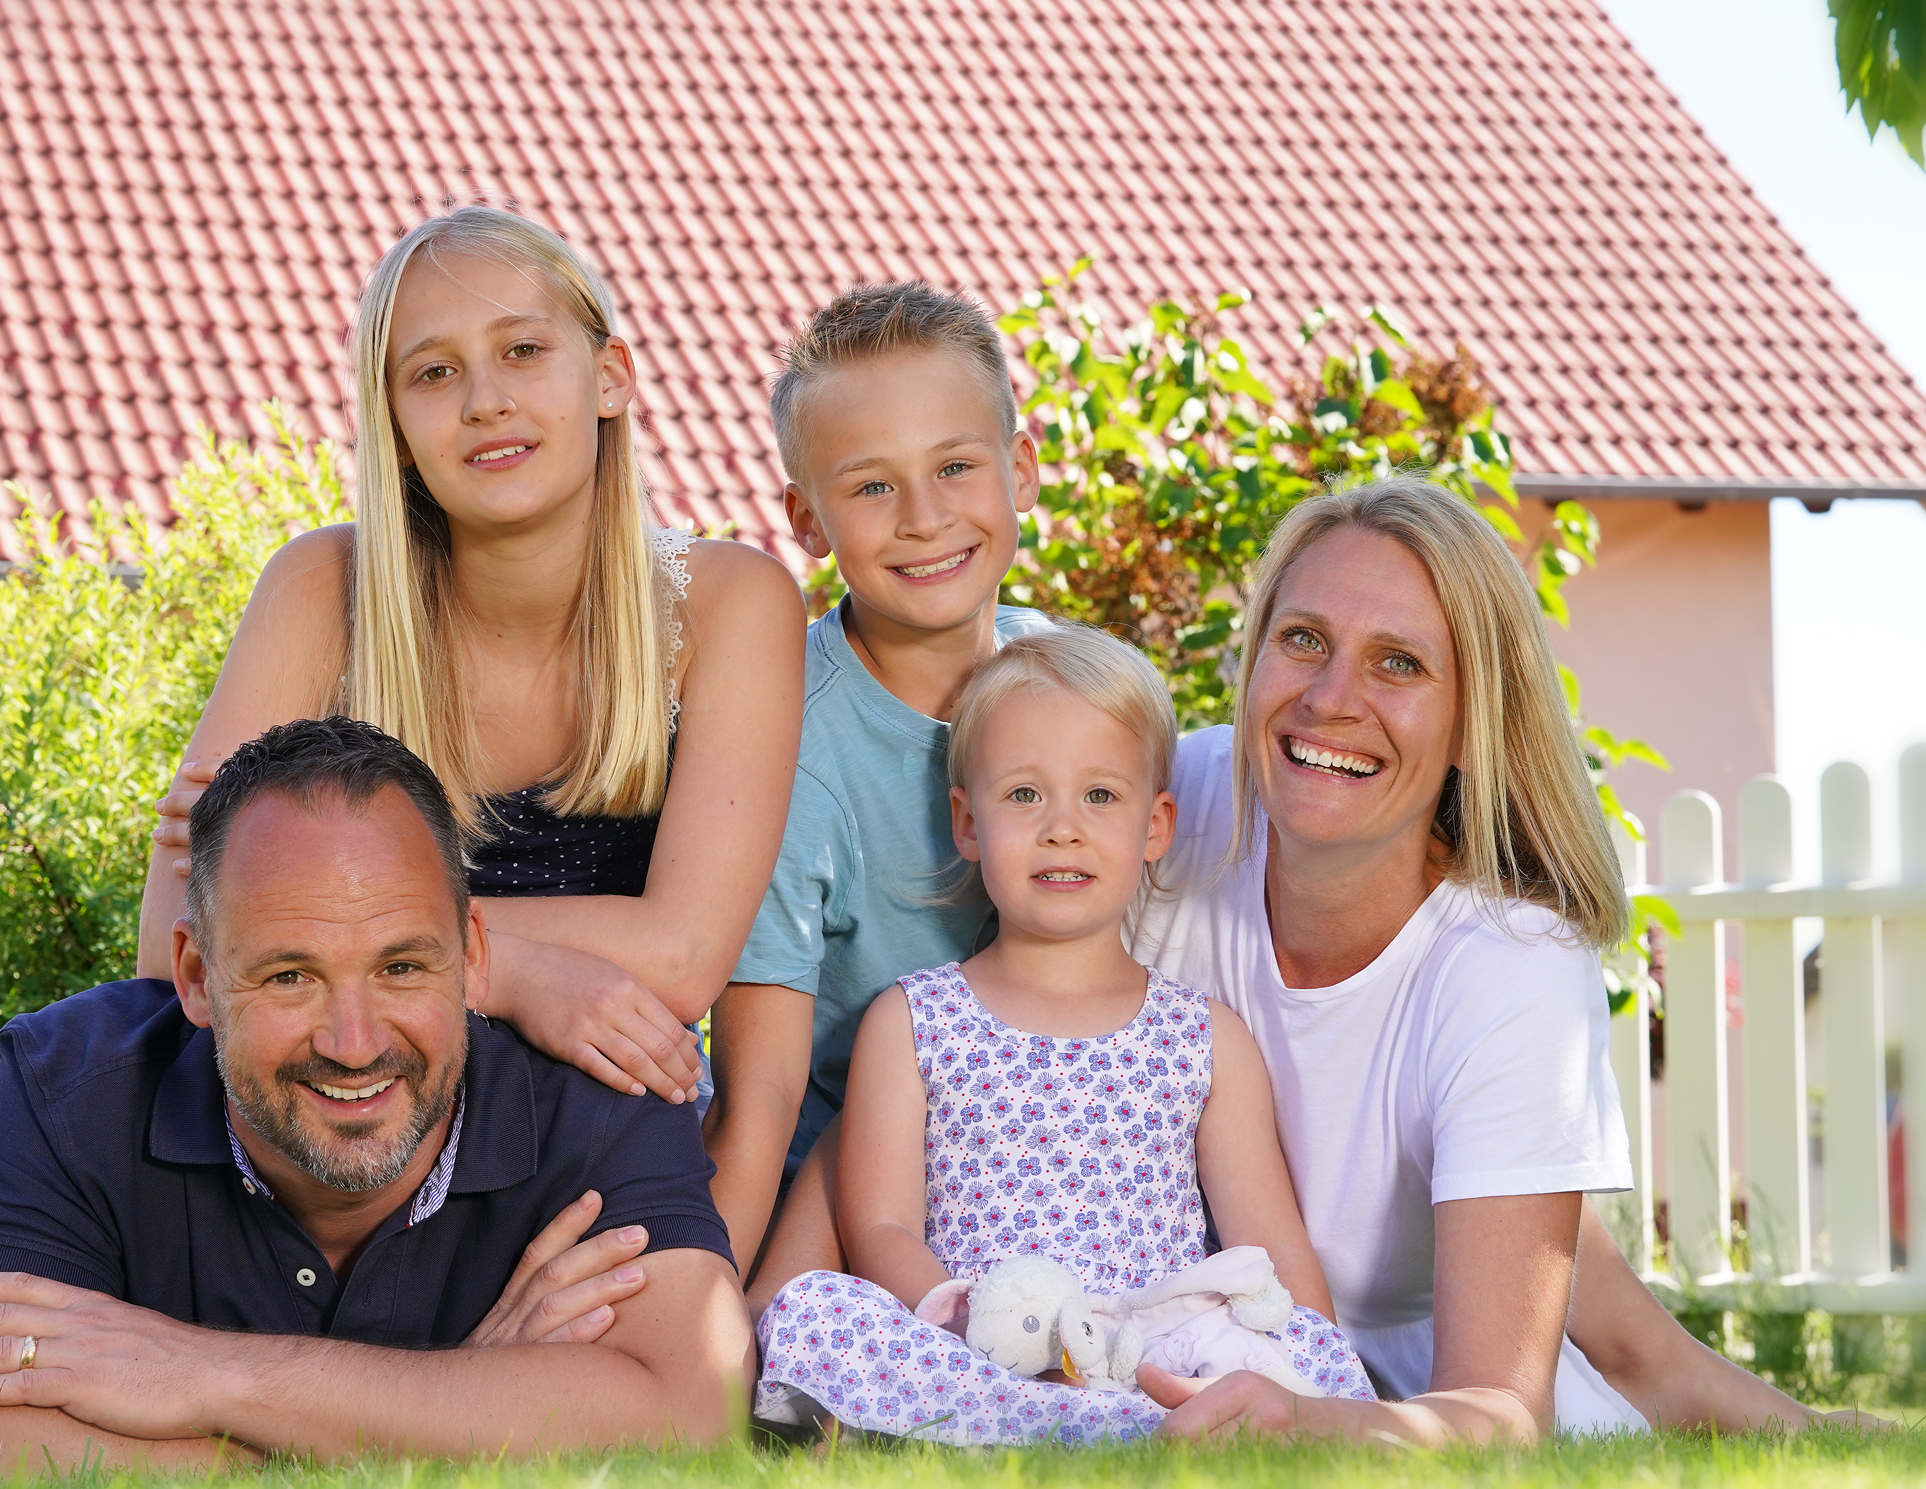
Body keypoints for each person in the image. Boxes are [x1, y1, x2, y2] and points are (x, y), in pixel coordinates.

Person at [0, 205, 804, 1343]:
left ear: (610, 376)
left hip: (553, 1109)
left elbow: (682, 958)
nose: (485, 399)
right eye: (433, 372)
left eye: (523, 351)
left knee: (642, 1341)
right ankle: (323, 1386)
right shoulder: (319, 588)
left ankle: (278, 1372)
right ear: (394, 423)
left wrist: (437, 962)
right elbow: (179, 951)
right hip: (324, 1083)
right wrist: (512, 971)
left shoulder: (726, 602)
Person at [1129, 476, 1862, 1443]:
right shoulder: (1170, 807)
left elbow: (1500, 1410)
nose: (1329, 698)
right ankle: (1833, 1432)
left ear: (1475, 723)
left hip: (1406, 1395)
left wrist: (1305, 1423)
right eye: (1302, 638)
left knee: (1637, 1353)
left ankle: (1840, 1438)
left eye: (1398, 663)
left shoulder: (1508, 964)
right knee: (1633, 1336)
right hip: (1201, 1338)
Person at [0, 717, 753, 1475]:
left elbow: (695, 1408)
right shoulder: (73, 1085)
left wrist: (197, 1373)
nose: (355, 1042)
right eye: (291, 975)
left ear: (475, 956)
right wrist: (455, 1408)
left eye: (403, 966)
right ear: (196, 975)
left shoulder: (599, 1100)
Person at [753, 623, 1375, 1444]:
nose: (1062, 827)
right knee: (813, 1308)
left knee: (1298, 1346)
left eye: (1101, 796)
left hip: (1155, 1345)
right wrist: (983, 1323)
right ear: (967, 823)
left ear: (1155, 826)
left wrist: (1315, 1372)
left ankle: (1080, 1421)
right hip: (979, 1340)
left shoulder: (1203, 1036)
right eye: (1023, 795)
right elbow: (881, 1230)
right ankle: (1031, 1415)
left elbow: (1275, 1252)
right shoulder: (911, 1020)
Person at [699, 281, 1047, 1292]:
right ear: (808, 519)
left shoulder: (1084, 693)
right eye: (871, 487)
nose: (925, 517)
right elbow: (758, 1094)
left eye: (953, 465)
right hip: (849, 1190)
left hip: (1057, 1149)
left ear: (1018, 472)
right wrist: (700, 1313)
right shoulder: (783, 745)